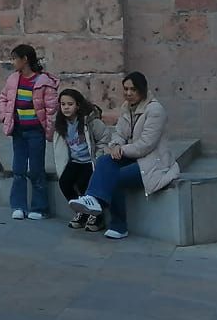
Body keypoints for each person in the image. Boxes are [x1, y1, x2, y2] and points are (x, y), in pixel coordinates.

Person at [69, 71, 181, 240]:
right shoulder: (126, 107)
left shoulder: (155, 110)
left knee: (116, 176)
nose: (128, 93)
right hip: (132, 155)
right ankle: (92, 198)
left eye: (133, 89)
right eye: (126, 89)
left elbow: (146, 145)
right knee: (105, 161)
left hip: (154, 162)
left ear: (142, 90)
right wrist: (115, 145)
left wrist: (121, 150)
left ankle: (119, 226)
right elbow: (119, 133)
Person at [0, 44, 57, 221]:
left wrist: (49, 130)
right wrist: (4, 116)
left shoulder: (43, 82)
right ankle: (18, 206)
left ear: (25, 59)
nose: (13, 62)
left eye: (15, 58)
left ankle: (40, 207)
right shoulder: (13, 79)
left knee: (36, 169)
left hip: (35, 131)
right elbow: (3, 98)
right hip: (18, 130)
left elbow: (51, 109)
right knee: (18, 169)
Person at [53, 89, 112, 227]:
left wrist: (98, 157)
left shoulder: (90, 121)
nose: (66, 107)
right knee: (64, 182)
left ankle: (96, 216)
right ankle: (82, 211)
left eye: (70, 104)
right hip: (75, 160)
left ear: (78, 105)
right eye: (63, 104)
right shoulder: (61, 124)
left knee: (83, 183)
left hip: (90, 160)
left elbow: (105, 138)